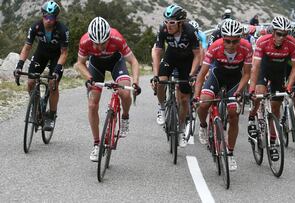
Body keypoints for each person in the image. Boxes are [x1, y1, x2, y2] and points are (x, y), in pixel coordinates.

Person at [75, 17, 141, 162]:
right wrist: (89, 78)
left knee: (125, 92)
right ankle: (97, 144)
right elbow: (79, 64)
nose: (100, 47)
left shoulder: (117, 38)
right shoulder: (85, 41)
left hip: (116, 63)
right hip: (96, 66)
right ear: (91, 39)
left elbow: (133, 61)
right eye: (96, 44)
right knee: (92, 104)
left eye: (103, 43)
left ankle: (125, 117)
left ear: (109, 37)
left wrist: (135, 82)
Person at [194, 20, 252, 171]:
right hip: (217, 76)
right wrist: (196, 95)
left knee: (234, 113)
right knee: (204, 104)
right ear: (222, 38)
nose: (231, 45)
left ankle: (230, 153)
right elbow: (202, 74)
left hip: (235, 80)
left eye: (235, 41)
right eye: (227, 41)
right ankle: (203, 125)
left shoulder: (246, 47)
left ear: (240, 39)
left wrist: (239, 91)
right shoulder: (215, 47)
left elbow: (246, 74)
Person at [248, 16, 295, 161]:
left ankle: (273, 142)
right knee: (259, 93)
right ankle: (252, 117)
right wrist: (251, 89)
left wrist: (289, 87)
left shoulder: (292, 43)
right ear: (273, 31)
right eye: (278, 34)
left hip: (278, 71)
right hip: (264, 68)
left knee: (275, 108)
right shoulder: (262, 41)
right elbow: (255, 66)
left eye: (285, 34)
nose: (281, 37)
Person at [13, 1, 69, 131]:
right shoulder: (35, 27)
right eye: (46, 16)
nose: (48, 20)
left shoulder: (62, 30)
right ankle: (36, 108)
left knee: (53, 84)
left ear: (56, 18)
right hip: (41, 54)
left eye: (52, 17)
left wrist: (57, 69)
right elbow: (27, 47)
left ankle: (52, 115)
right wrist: (19, 66)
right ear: (42, 15)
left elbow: (64, 53)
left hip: (57, 56)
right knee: (31, 82)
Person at [151, 4, 200, 148]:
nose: (168, 25)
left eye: (171, 22)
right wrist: (155, 74)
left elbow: (198, 55)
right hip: (171, 57)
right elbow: (157, 51)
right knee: (161, 81)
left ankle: (181, 129)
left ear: (180, 22)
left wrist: (192, 75)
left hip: (187, 61)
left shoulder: (190, 31)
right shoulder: (163, 30)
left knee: (184, 99)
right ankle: (161, 107)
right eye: (166, 21)